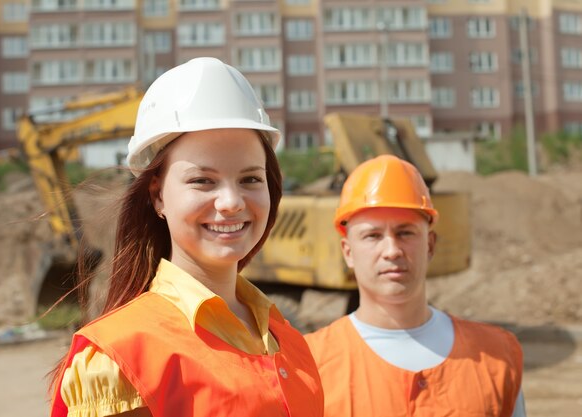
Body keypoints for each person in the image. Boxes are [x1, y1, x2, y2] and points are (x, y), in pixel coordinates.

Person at [49, 57, 324, 417]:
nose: (231, 202)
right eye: (203, 180)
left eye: (250, 179)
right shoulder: (119, 357)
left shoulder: (288, 341)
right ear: (158, 196)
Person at [304, 155, 525, 417]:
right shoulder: (309, 364)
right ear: (348, 251)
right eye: (373, 236)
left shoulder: (496, 357)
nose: (392, 250)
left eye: (405, 233)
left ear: (430, 245)